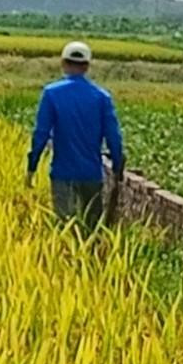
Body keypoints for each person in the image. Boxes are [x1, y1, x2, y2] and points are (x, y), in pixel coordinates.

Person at [26, 41, 124, 230]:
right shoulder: (101, 97)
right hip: (92, 174)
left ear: (63, 63)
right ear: (87, 66)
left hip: (62, 174)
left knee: (64, 228)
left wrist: (32, 167)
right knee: (91, 230)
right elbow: (113, 136)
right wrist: (117, 166)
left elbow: (41, 134)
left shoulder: (51, 93)